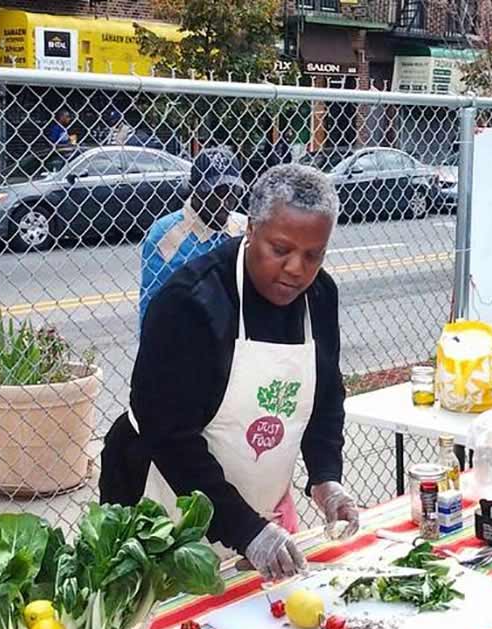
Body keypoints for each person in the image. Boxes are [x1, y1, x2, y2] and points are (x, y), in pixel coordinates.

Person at [100, 164, 359, 579]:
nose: (296, 268)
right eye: (281, 249)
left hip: (252, 510)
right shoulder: (191, 302)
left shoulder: (320, 297)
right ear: (251, 229)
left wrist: (326, 477)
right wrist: (247, 530)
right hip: (160, 500)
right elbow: (167, 435)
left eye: (313, 255)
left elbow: (325, 395)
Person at [138, 147, 248, 324]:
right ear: (195, 189)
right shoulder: (167, 235)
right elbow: (151, 306)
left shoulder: (244, 228)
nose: (224, 200)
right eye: (215, 191)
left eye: (231, 190)